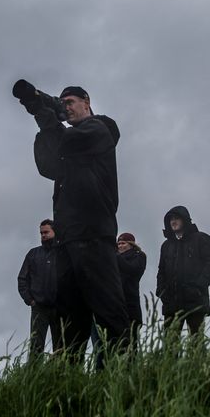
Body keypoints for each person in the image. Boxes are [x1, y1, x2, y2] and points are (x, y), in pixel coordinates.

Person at [25, 85, 130, 364]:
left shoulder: (100, 128)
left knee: (109, 311)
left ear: (87, 102)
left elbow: (64, 140)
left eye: (71, 102)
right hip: (68, 239)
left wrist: (44, 113)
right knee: (71, 318)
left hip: (94, 233)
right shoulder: (70, 149)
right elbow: (47, 165)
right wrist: (41, 112)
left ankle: (125, 376)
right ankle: (71, 384)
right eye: (63, 104)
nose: (67, 107)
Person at [155, 206, 210, 336]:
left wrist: (198, 286)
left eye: (176, 218)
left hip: (195, 301)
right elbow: (161, 271)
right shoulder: (166, 245)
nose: (173, 221)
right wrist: (161, 292)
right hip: (171, 303)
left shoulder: (201, 238)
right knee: (170, 347)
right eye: (171, 219)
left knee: (196, 344)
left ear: (185, 219)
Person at [17, 219, 60, 359]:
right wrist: (29, 300)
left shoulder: (63, 253)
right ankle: (34, 375)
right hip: (39, 308)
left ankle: (61, 376)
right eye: (41, 233)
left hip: (60, 308)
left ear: (55, 232)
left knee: (60, 347)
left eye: (46, 232)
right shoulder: (33, 254)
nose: (43, 235)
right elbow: (22, 278)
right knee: (36, 346)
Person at [115, 232, 146, 341]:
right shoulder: (114, 259)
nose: (120, 246)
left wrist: (117, 257)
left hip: (130, 304)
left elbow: (132, 270)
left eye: (123, 243)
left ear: (131, 244)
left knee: (131, 342)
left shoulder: (139, 256)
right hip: (115, 304)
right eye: (118, 244)